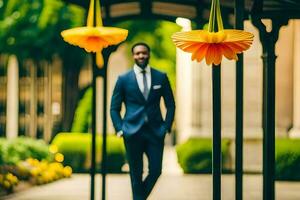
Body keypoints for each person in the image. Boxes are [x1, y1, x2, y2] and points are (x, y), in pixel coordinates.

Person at [110, 42, 175, 200]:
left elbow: (170, 104)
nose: (141, 56)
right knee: (135, 174)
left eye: (144, 53)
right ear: (133, 56)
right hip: (132, 133)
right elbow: (114, 108)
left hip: (155, 132)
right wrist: (120, 129)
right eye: (138, 53)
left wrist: (166, 127)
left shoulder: (161, 76)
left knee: (156, 171)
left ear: (149, 54)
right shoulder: (123, 79)